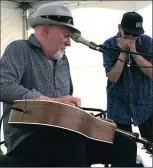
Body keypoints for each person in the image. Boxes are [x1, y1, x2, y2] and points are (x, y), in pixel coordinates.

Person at [0, 4, 137, 167]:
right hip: (25, 138)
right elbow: (3, 84)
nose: (69, 43)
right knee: (71, 145)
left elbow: (64, 109)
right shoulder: (20, 49)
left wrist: (94, 124)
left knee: (125, 144)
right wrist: (47, 101)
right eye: (66, 35)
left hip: (63, 135)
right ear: (46, 30)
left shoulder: (64, 61)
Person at [102, 11, 153, 143]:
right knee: (123, 152)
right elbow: (113, 77)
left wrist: (134, 52)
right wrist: (123, 54)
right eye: (127, 33)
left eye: (135, 34)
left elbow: (151, 72)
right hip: (118, 105)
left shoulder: (148, 42)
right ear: (119, 28)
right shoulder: (109, 44)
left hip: (145, 104)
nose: (131, 38)